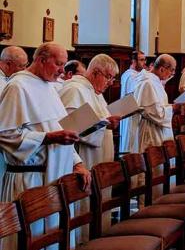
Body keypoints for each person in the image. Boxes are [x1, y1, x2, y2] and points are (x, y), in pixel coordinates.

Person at [0, 42, 90, 250]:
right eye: (58, 64)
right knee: (31, 240)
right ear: (41, 60)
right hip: (30, 179)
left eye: (64, 64)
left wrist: (77, 163)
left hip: (55, 176)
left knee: (53, 239)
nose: (62, 70)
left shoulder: (49, 87)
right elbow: (5, 134)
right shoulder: (17, 87)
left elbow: (63, 128)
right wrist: (47, 138)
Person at [58, 54, 121, 245]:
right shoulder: (74, 89)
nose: (111, 82)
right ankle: (82, 242)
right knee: (83, 205)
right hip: (84, 156)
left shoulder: (94, 92)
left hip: (99, 156)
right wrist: (104, 123)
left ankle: (98, 238)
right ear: (95, 72)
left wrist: (107, 122)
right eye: (109, 77)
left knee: (98, 202)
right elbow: (69, 127)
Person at [133, 54, 176, 153]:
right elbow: (154, 113)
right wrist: (173, 108)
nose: (172, 74)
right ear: (162, 69)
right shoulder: (148, 83)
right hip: (151, 132)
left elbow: (158, 106)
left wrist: (169, 107)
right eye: (171, 70)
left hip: (157, 130)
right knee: (154, 165)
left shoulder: (155, 81)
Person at [119, 50, 146, 153]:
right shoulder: (131, 76)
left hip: (134, 113)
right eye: (142, 60)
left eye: (145, 59)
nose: (144, 62)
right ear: (134, 61)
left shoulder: (136, 75)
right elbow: (135, 94)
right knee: (131, 141)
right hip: (130, 113)